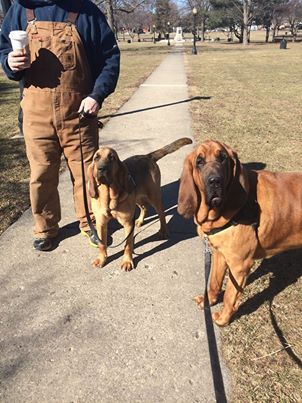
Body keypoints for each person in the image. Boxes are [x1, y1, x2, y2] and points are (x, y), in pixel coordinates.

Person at [0, 0, 120, 251]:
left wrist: (96, 95)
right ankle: (45, 229)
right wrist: (9, 63)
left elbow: (110, 58)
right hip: (36, 115)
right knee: (41, 175)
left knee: (87, 174)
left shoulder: (86, 11)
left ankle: (92, 224)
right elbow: (4, 49)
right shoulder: (21, 9)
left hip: (79, 114)